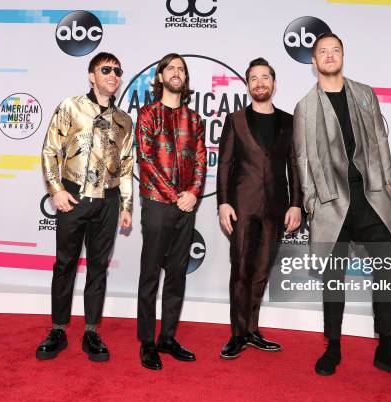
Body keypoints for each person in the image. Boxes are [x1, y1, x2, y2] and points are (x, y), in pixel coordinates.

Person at [292, 33, 391, 385]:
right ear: (314, 62)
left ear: (343, 56)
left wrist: (388, 181)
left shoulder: (364, 93)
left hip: (370, 198)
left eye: (335, 50)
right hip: (332, 203)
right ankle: (333, 346)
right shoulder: (305, 107)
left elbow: (381, 139)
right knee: (332, 278)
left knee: (387, 268)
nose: (329, 55)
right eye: (322, 52)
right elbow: (304, 161)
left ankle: (387, 348)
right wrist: (311, 204)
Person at [36, 52, 134, 362]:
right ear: (92, 75)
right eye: (106, 69)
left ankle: (92, 331)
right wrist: (56, 189)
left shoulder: (125, 120)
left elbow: (128, 166)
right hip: (74, 196)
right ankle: (58, 330)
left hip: (109, 200)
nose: (113, 74)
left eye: (117, 70)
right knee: (64, 264)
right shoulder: (71, 106)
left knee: (98, 267)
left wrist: (127, 205)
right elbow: (50, 150)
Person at [217, 58, 302, 359]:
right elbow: (225, 164)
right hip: (241, 205)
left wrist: (296, 204)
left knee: (262, 269)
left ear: (274, 83)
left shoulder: (290, 121)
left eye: (265, 77)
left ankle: (252, 329)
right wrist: (223, 202)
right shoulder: (235, 120)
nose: (260, 82)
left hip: (277, 207)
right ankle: (237, 334)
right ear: (248, 85)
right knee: (240, 268)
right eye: (254, 78)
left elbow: (295, 165)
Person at [135, 53, 207, 370]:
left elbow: (202, 161)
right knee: (151, 275)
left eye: (182, 69)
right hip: (156, 203)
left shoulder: (194, 120)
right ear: (160, 77)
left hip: (186, 206)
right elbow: (147, 161)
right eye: (171, 68)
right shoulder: (147, 114)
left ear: (184, 79)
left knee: (177, 275)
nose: (177, 72)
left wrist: (193, 193)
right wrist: (174, 195)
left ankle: (167, 337)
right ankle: (147, 342)